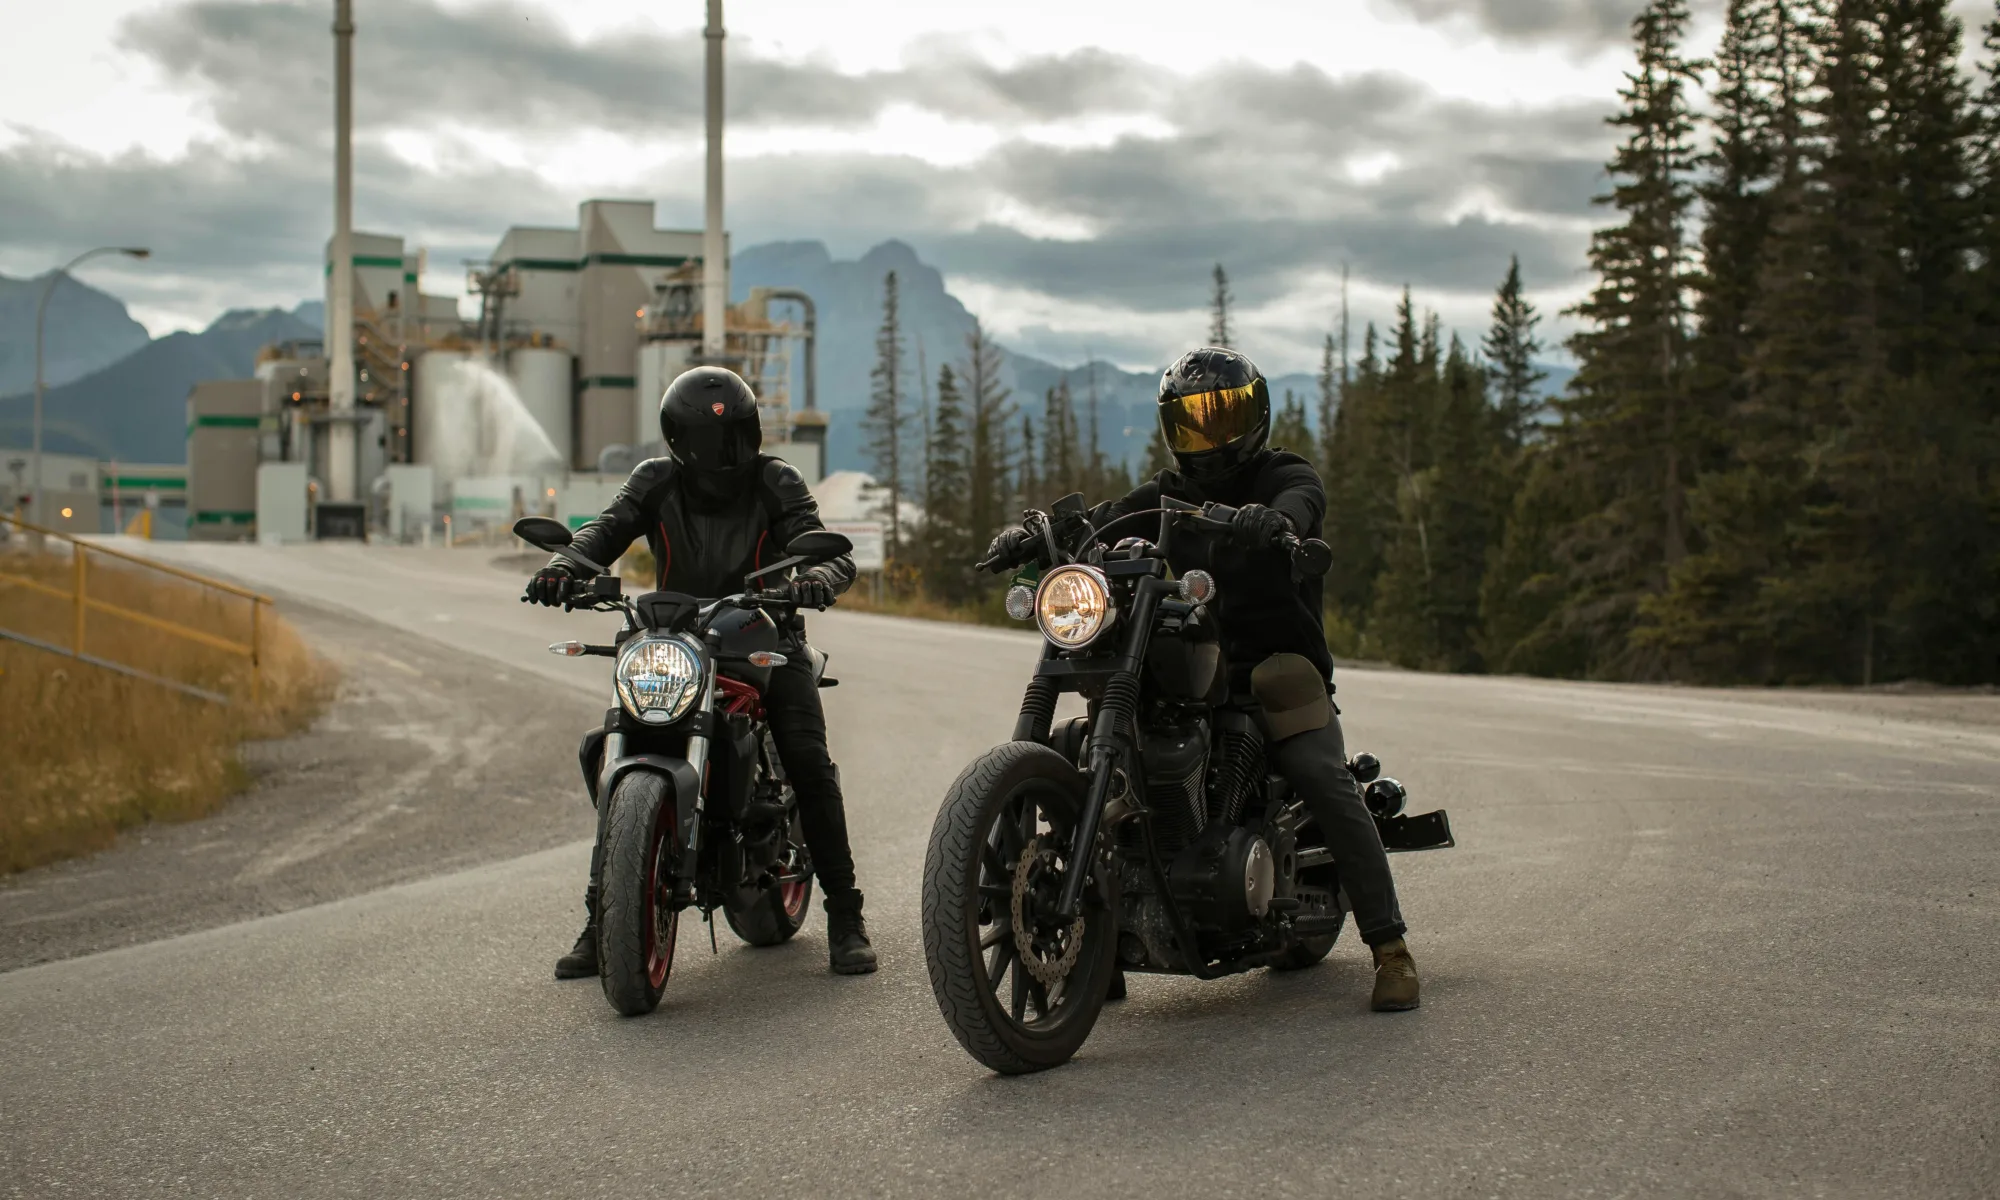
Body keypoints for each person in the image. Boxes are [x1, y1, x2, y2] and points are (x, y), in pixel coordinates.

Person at [984, 346, 1419, 1011]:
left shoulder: (1282, 477)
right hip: (1182, 658)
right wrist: (1038, 532)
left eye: (1223, 417)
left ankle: (1391, 949)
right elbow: (1105, 519)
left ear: (1256, 415)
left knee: (1319, 773)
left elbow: (1304, 500)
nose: (1209, 435)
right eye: (1193, 421)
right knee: (1085, 745)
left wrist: (1276, 523)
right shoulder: (1163, 498)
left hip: (1274, 665)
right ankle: (1103, 941)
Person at [524, 365, 877, 977]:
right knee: (612, 744)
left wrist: (817, 578)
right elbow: (603, 531)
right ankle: (602, 918)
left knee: (808, 763)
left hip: (766, 635)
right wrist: (566, 566)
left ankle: (846, 916)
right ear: (679, 440)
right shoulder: (655, 482)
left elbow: (815, 538)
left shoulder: (776, 480)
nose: (730, 448)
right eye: (718, 436)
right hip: (675, 637)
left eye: (738, 431)